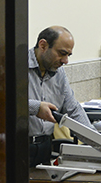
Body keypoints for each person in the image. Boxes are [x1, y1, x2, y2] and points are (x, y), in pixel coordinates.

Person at [28, 25, 97, 166]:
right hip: (15, 148)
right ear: (43, 45)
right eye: (62, 53)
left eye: (68, 55)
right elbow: (1, 101)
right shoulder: (14, 64)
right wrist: (36, 107)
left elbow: (73, 108)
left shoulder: (58, 72)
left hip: (44, 148)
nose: (65, 61)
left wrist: (98, 143)